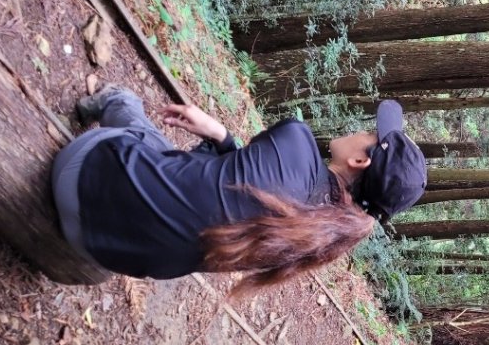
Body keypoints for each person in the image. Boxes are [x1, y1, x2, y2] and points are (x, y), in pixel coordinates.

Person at [51, 87, 427, 293]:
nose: (361, 130)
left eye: (370, 134)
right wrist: (222, 137)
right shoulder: (315, 237)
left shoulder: (296, 141)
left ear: (360, 161)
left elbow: (244, 181)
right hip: (109, 252)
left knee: (134, 117)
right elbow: (241, 193)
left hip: (80, 174)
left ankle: (114, 100)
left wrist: (223, 142)